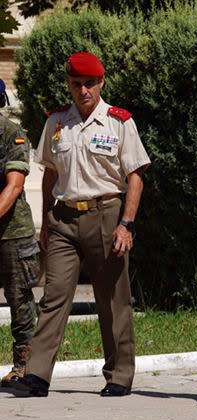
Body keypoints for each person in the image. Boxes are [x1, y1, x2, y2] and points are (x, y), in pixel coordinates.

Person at [11, 52, 151, 397]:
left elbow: (135, 177)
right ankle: (38, 374)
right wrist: (45, 221)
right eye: (77, 84)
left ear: (101, 82)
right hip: (63, 218)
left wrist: (126, 224)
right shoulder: (56, 121)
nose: (83, 90)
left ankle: (119, 374)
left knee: (112, 298)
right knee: (54, 297)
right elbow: (50, 173)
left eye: (90, 83)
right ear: (69, 85)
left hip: (106, 216)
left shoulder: (119, 122)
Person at [0, 78, 40, 388]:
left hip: (12, 233)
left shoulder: (12, 134)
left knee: (20, 301)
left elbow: (14, 186)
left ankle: (25, 367)